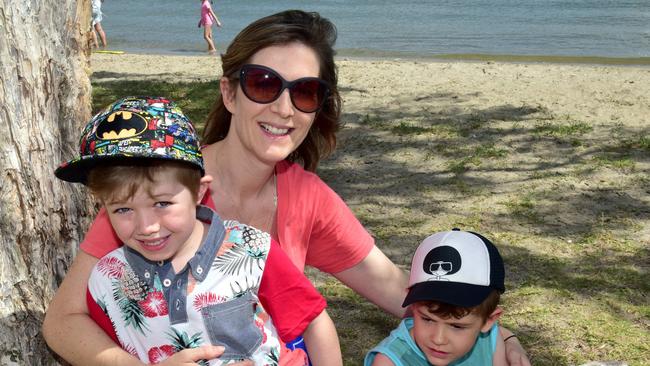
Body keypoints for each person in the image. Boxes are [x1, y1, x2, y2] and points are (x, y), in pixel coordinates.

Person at [42, 10, 530, 365]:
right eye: (262, 83)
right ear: (229, 92)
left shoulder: (307, 198)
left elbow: (397, 288)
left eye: (304, 92)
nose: (283, 108)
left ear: (318, 107)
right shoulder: (154, 191)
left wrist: (494, 333)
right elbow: (63, 321)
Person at [54, 96, 341, 365]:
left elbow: (314, 323)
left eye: (162, 203)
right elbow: (77, 334)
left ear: (199, 192)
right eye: (123, 209)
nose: (147, 227)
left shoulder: (253, 251)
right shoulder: (106, 281)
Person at [365, 230, 508, 366]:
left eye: (457, 326)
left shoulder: (491, 340)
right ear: (413, 305)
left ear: (488, 321)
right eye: (427, 319)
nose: (438, 339)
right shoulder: (391, 361)